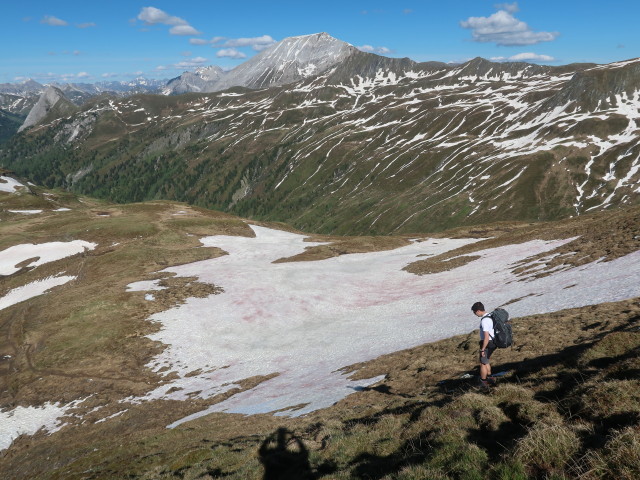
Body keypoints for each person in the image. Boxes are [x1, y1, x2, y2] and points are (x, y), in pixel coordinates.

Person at [471, 301, 496, 388]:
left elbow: (486, 336)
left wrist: (482, 349)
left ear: (478, 311)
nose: (475, 314)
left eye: (474, 312)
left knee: (482, 363)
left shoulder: (485, 321)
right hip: (493, 342)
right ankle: (490, 378)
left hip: (487, 343)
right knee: (486, 360)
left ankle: (483, 381)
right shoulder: (490, 316)